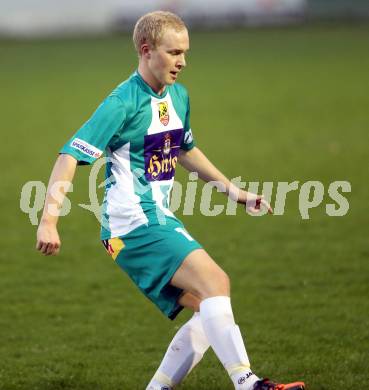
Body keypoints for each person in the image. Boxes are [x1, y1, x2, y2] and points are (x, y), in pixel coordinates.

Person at [36, 11, 305, 390]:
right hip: (132, 223)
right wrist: (49, 220)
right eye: (174, 52)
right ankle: (247, 383)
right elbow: (68, 156)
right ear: (146, 51)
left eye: (186, 53)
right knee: (216, 282)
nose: (182, 61)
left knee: (212, 311)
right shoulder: (122, 102)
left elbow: (184, 150)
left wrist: (233, 191)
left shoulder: (178, 96)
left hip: (156, 217)